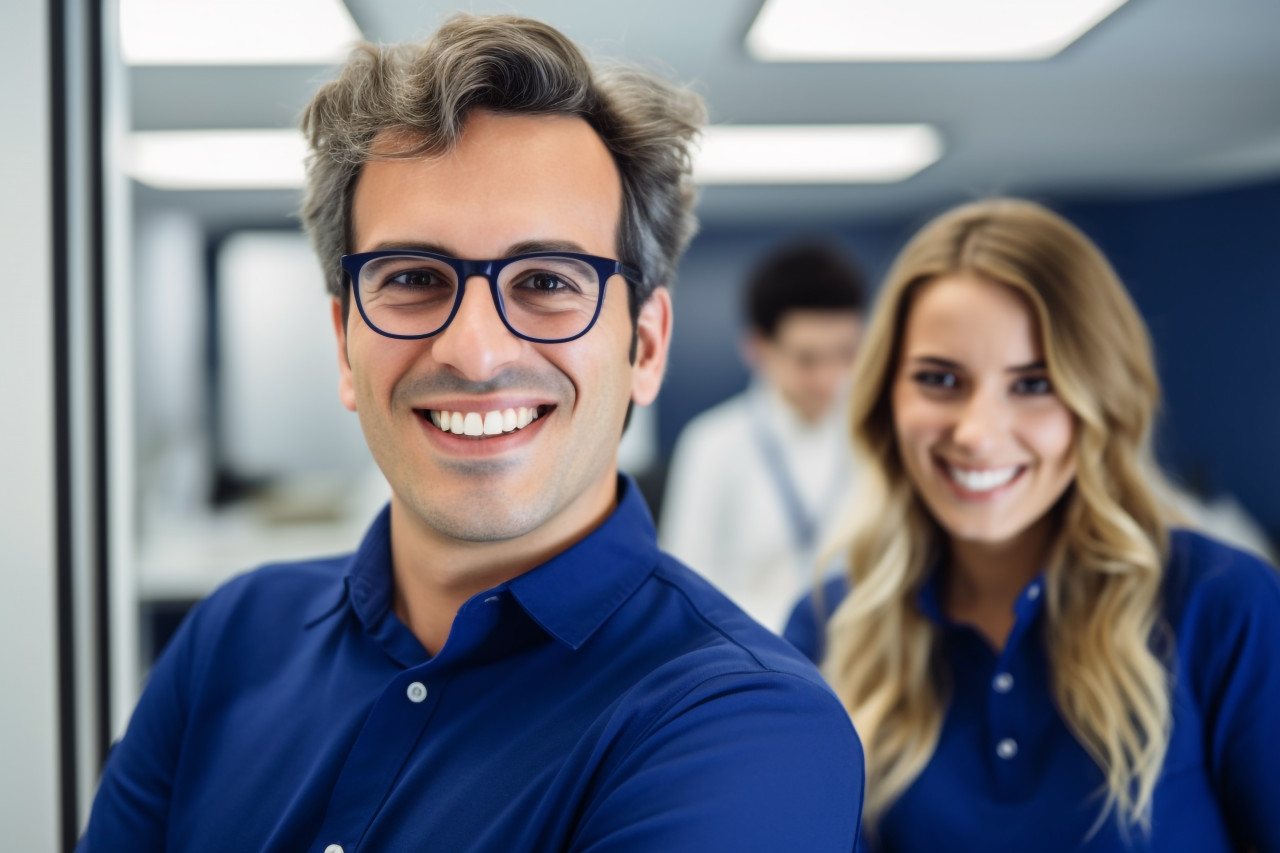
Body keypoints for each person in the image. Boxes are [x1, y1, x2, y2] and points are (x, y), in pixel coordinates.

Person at [79, 15, 863, 852]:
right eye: (414, 277)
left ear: (645, 345)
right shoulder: (231, 640)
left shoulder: (744, 726)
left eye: (548, 280)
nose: (476, 352)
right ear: (345, 343)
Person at [785, 199, 1280, 852]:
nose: (977, 433)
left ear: (1098, 400)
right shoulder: (829, 626)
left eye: (1034, 383)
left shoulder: (1222, 605)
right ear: (886, 400)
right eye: (939, 379)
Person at [661, 241, 867, 630]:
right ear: (758, 348)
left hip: (860, 655)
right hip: (753, 658)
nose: (830, 379)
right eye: (807, 359)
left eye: (846, 353)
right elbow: (686, 588)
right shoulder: (713, 444)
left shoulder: (877, 437)